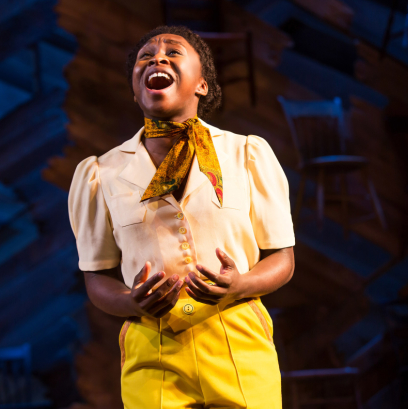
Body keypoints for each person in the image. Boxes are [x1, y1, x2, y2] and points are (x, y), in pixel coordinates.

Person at [68, 24, 295, 408]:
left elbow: (283, 259)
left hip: (237, 339)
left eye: (173, 52)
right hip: (152, 350)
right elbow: (97, 276)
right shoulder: (99, 174)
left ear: (201, 85)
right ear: (135, 90)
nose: (157, 57)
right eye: (146, 56)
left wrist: (239, 284)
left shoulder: (247, 155)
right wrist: (131, 303)